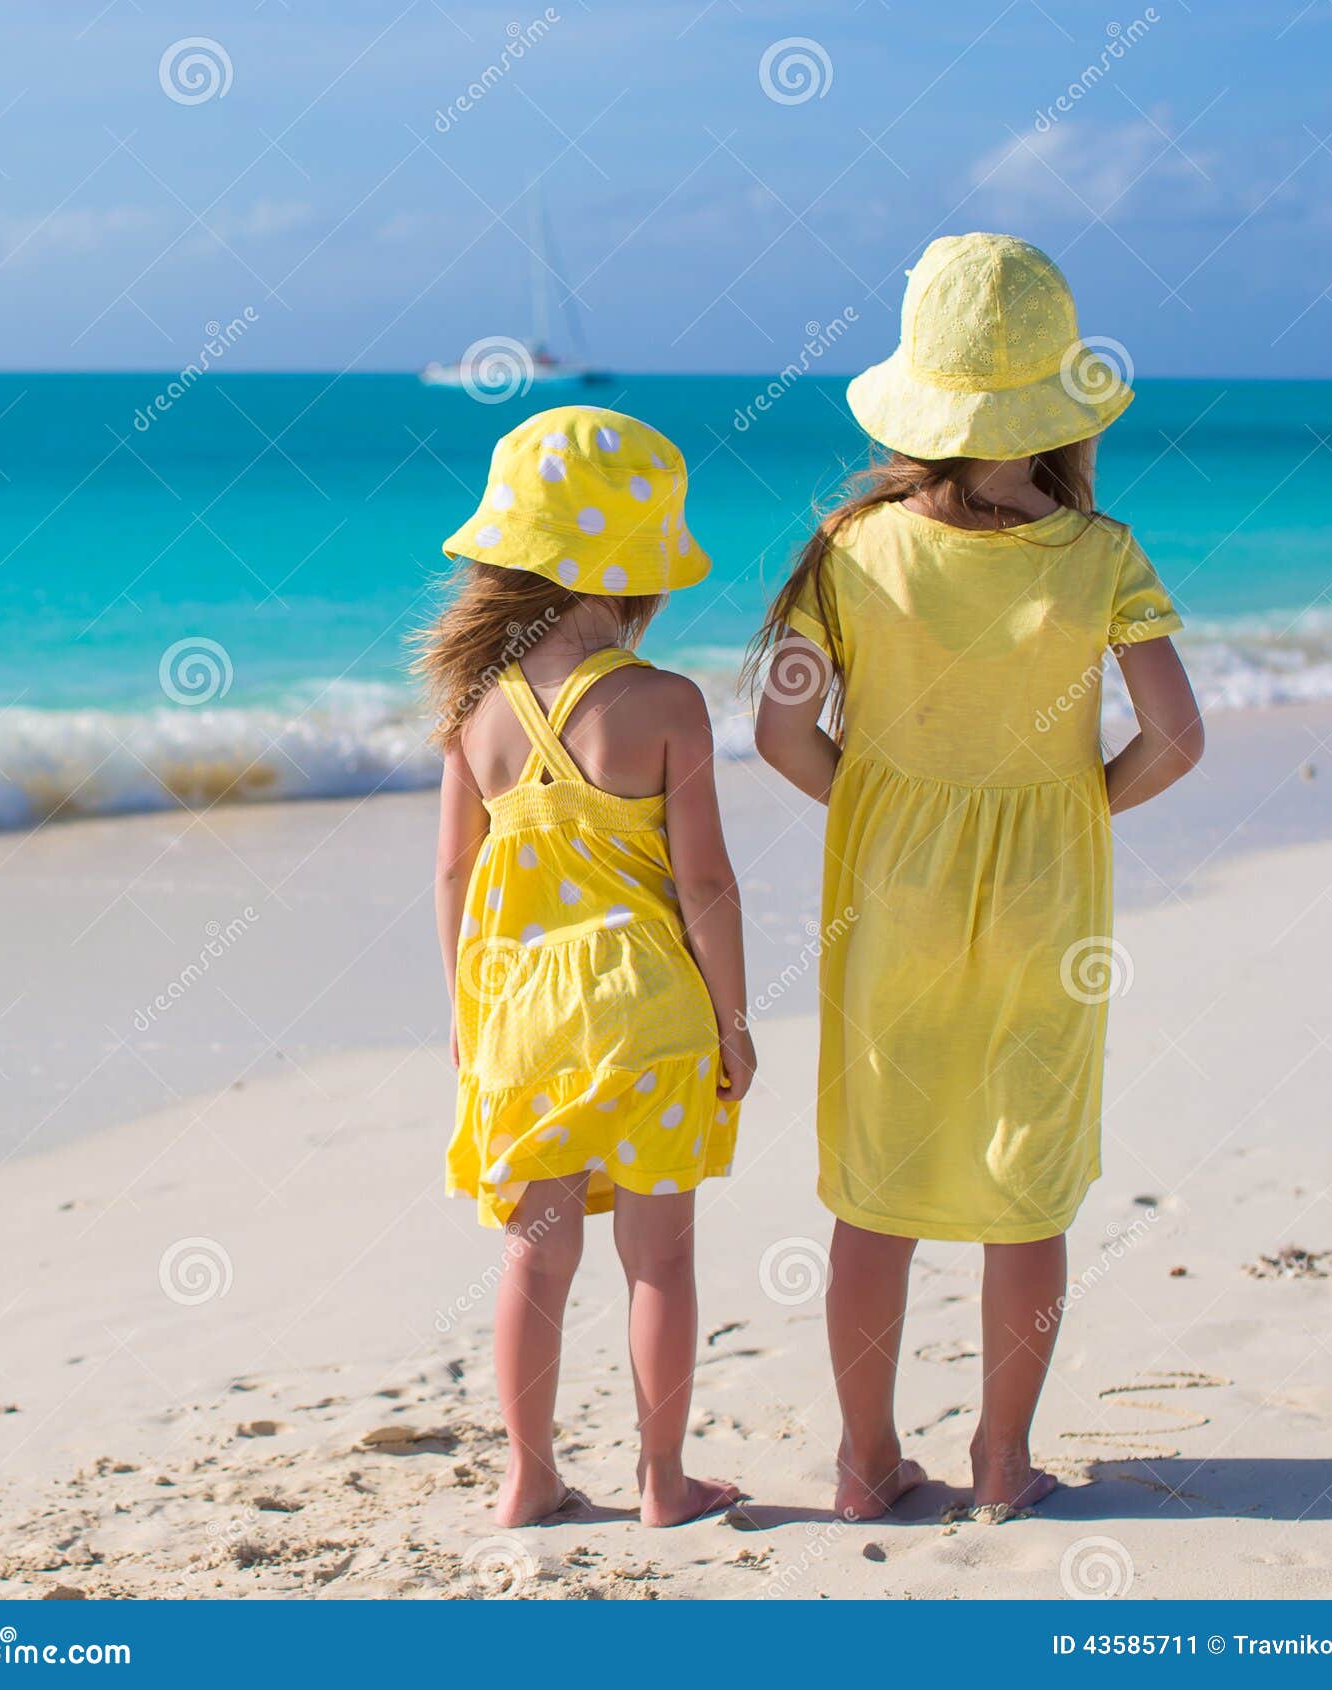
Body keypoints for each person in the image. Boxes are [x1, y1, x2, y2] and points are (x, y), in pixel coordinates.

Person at [747, 234, 1204, 1520]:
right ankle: (1001, 1462)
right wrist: (1072, 806)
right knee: (1024, 1179)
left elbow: (782, 729)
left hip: (886, 889)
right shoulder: (1101, 552)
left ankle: (862, 1462)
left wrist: (885, 809)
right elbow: (1176, 739)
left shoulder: (849, 549)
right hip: (1050, 896)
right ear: (1057, 400)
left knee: (875, 1187)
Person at [419, 405, 756, 1528]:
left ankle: (529, 1476)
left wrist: (470, 1023)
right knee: (658, 1255)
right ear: (637, 564)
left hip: (523, 1017)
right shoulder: (664, 703)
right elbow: (705, 885)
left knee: (535, 1255)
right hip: (649, 1009)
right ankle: (664, 1482)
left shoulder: (475, 710)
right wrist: (735, 1020)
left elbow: (456, 880)